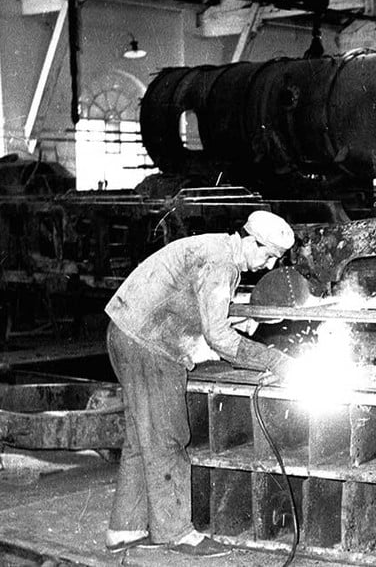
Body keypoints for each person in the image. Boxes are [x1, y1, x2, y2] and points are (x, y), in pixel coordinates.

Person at [103, 210, 298, 557]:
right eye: (267, 255)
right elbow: (218, 337)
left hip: (126, 331)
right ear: (250, 240)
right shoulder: (222, 263)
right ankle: (175, 532)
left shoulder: (216, 250)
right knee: (168, 437)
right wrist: (274, 360)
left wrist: (241, 320)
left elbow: (201, 308)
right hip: (151, 344)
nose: (268, 266)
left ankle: (124, 529)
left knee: (141, 436)